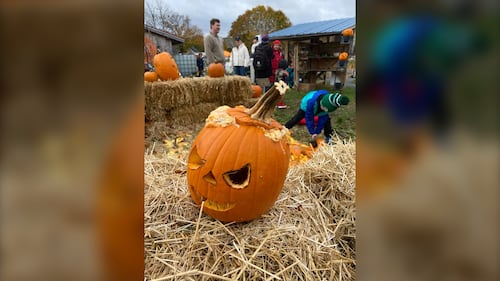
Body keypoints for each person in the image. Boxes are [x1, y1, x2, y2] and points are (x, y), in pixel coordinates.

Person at [285, 90, 350, 146]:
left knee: (327, 120)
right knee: (298, 117)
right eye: (324, 108)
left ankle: (328, 137)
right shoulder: (311, 102)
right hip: (306, 106)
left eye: (326, 110)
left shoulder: (326, 108)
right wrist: (312, 132)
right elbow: (309, 118)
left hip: (318, 106)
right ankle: (285, 128)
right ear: (323, 103)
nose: (324, 110)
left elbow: (322, 120)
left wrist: (317, 131)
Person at [271, 40, 287, 108]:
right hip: (274, 71)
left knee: (280, 85)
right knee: (277, 86)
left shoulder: (281, 53)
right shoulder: (271, 53)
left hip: (280, 70)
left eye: (277, 45)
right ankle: (277, 102)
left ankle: (279, 101)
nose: (276, 46)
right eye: (275, 45)